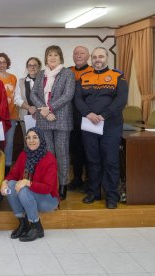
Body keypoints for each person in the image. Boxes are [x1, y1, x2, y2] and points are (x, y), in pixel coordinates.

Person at [75, 47, 128, 209]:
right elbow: (78, 99)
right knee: (92, 160)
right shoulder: (84, 77)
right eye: (95, 57)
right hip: (89, 124)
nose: (98, 59)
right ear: (91, 59)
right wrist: (88, 113)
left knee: (110, 161)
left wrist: (104, 114)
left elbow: (121, 100)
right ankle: (94, 192)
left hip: (111, 125)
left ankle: (112, 195)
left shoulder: (117, 76)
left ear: (107, 58)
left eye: (101, 56)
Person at [30, 45, 75, 200]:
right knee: (48, 154)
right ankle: (50, 184)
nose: (53, 58)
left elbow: (68, 95)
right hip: (44, 119)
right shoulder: (41, 74)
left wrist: (48, 108)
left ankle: (63, 185)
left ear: (60, 57)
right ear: (46, 58)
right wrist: (42, 109)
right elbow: (34, 93)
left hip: (61, 119)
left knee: (62, 153)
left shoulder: (68, 73)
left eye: (56, 55)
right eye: (50, 55)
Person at [1, 127, 58, 242]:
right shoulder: (24, 155)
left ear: (41, 139)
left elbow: (48, 188)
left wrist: (27, 183)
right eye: (28, 138)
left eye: (35, 137)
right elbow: (13, 174)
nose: (31, 141)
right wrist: (4, 182)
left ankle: (36, 227)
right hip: (29, 196)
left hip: (48, 200)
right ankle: (23, 224)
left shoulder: (49, 158)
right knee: (11, 185)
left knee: (23, 189)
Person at [68, 46, 93, 192]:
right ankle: (77, 178)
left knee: (89, 150)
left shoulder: (93, 72)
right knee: (75, 151)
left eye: (82, 53)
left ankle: (90, 180)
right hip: (71, 119)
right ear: (72, 56)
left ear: (88, 56)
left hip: (88, 117)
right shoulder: (68, 71)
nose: (78, 55)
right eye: (76, 53)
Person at [0, 52, 18, 175]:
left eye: (4, 62)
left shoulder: (13, 77)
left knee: (9, 143)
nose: (2, 64)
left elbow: (16, 96)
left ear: (7, 63)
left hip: (11, 116)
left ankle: (7, 168)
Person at [15, 57, 42, 136]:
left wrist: (37, 109)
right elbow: (17, 99)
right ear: (27, 67)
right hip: (25, 117)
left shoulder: (45, 81)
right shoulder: (20, 81)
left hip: (42, 116)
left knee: (43, 140)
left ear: (39, 67)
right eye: (30, 65)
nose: (32, 67)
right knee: (28, 141)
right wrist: (29, 108)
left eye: (35, 65)